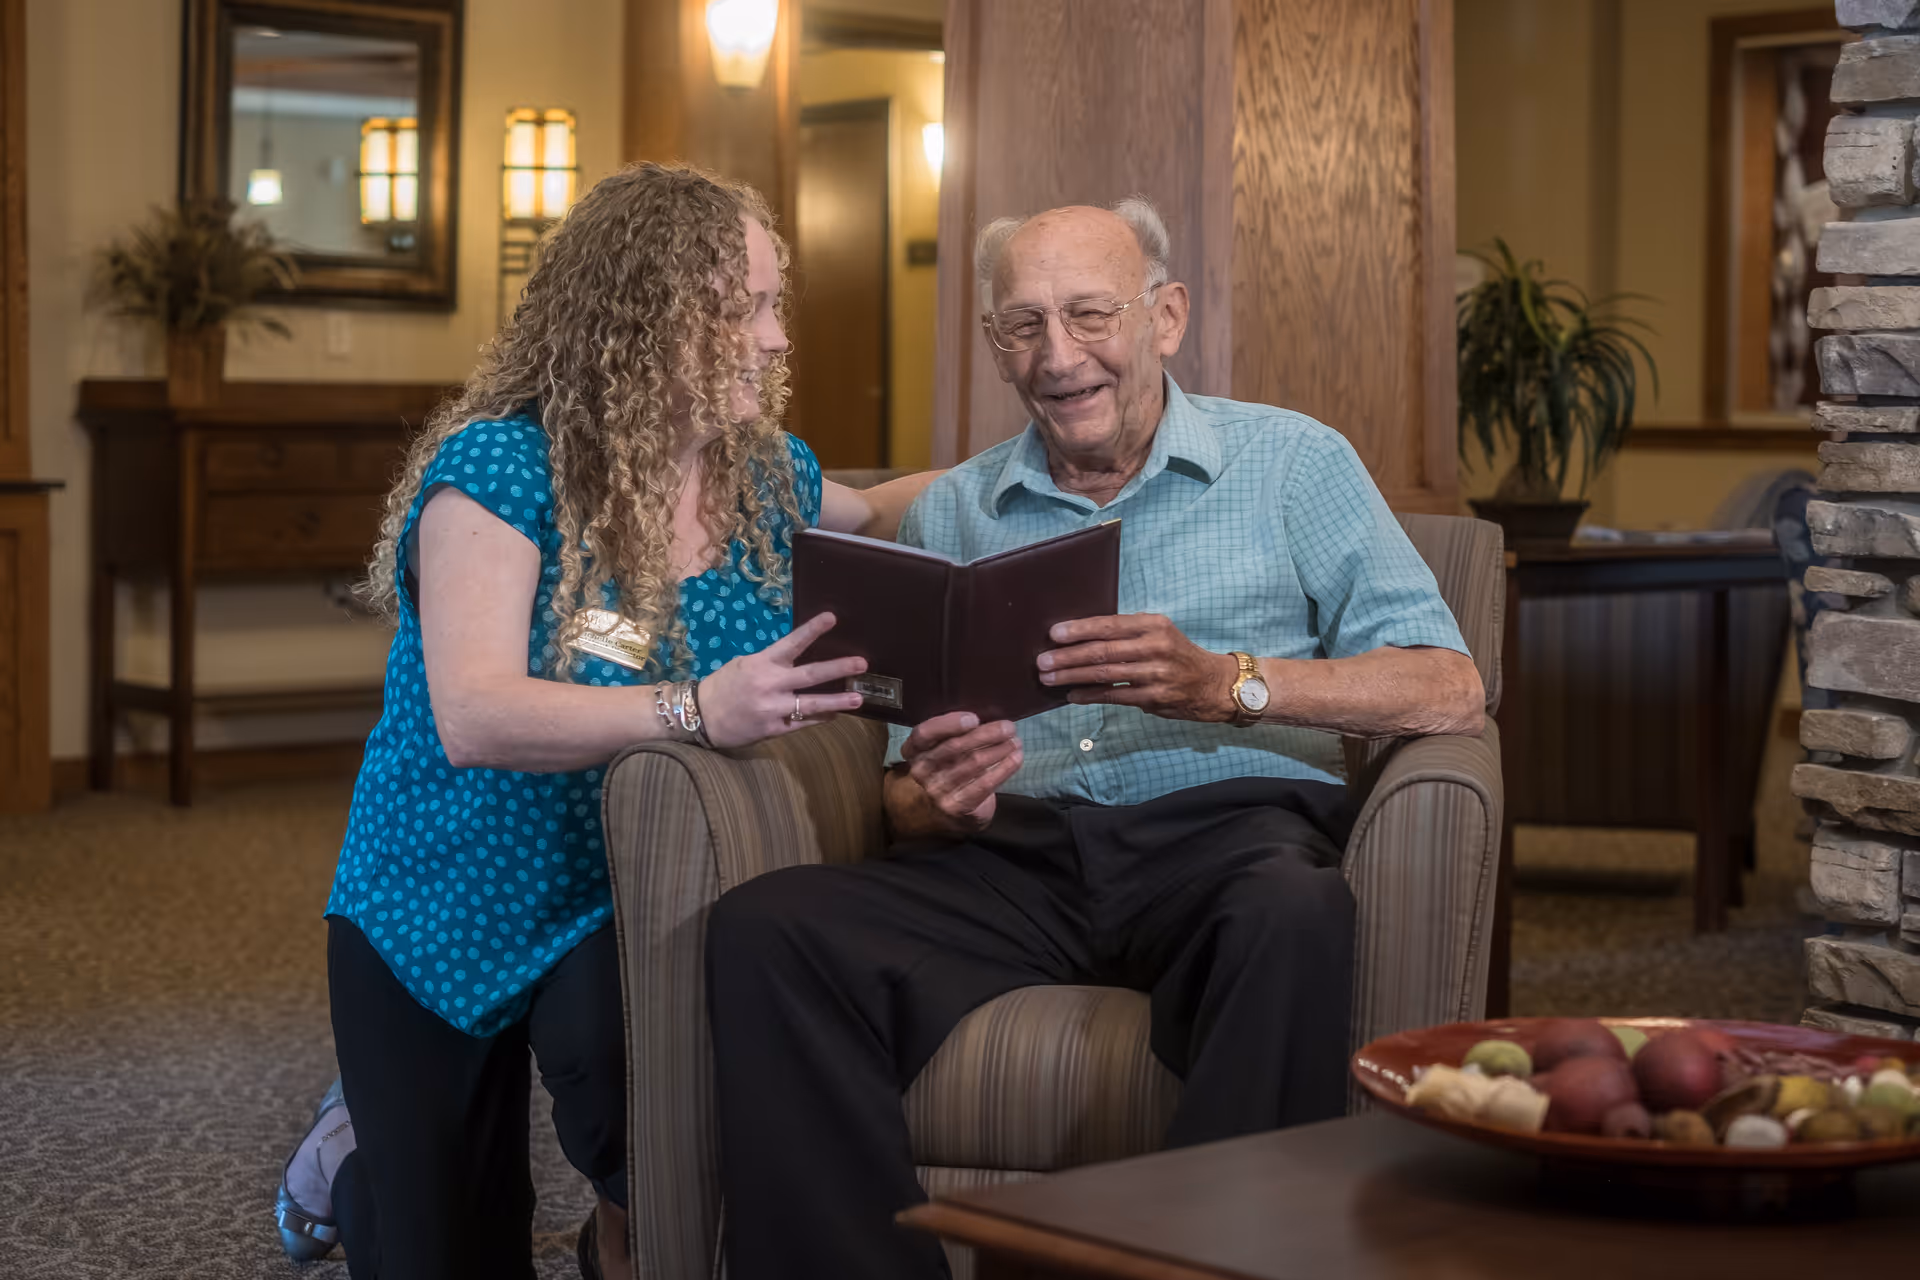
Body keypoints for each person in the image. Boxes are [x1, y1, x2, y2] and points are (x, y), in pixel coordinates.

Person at [704, 196, 1487, 1280]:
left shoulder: (1293, 463)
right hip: (1011, 855)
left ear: (1165, 318)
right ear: (995, 346)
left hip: (1228, 841)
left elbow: (1449, 684)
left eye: (1089, 316)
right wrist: (937, 798)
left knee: (1296, 908)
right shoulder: (958, 510)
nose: (1058, 356)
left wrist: (1228, 685)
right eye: (1023, 326)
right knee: (766, 927)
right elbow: (899, 789)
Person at [276, 162, 935, 1280]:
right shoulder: (501, 468)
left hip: (615, 893)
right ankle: (350, 1157)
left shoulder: (765, 477)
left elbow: (880, 510)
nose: (778, 339)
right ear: (651, 316)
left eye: (777, 305)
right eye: (750, 309)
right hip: (440, 896)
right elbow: (475, 715)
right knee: (444, 1246)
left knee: (643, 1116)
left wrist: (1046, 465)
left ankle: (617, 1233)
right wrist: (696, 708)